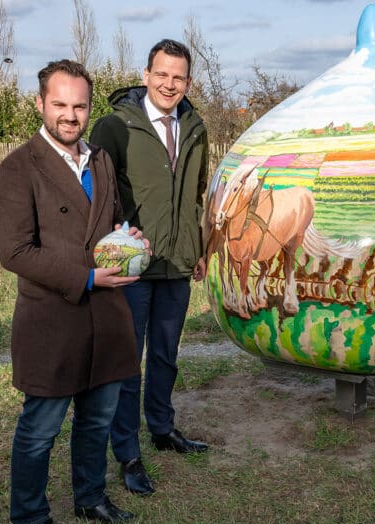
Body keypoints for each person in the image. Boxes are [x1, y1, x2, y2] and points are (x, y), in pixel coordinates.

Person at [0, 59, 146, 524]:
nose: (70, 114)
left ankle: (90, 498)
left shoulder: (100, 159)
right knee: (41, 427)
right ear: (40, 104)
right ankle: (31, 516)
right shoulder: (19, 166)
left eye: (79, 105)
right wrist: (86, 278)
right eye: (59, 104)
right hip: (52, 318)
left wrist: (128, 237)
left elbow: (112, 220)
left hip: (106, 315)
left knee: (97, 419)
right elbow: (14, 250)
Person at [90, 39, 211, 497]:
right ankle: (127, 453)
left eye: (178, 77)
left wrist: (197, 246)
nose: (169, 84)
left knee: (165, 355)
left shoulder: (195, 127)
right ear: (145, 75)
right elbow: (97, 196)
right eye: (161, 74)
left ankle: (162, 428)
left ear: (188, 82)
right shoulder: (115, 126)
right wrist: (113, 248)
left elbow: (195, 195)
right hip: (133, 266)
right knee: (128, 362)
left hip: (177, 263)